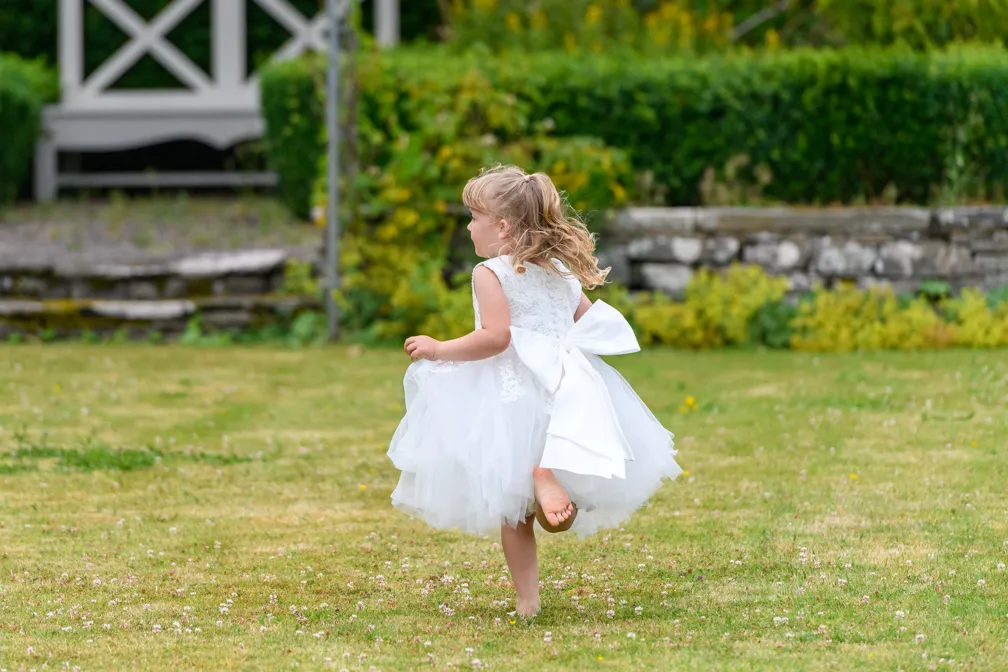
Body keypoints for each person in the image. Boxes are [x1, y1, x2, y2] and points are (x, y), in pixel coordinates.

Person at [387, 164, 682, 618]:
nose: (468, 227)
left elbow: (496, 337)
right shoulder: (558, 267)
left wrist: (440, 348)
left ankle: (528, 600)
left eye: (473, 218)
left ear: (501, 226)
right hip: (565, 386)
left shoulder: (490, 273)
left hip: (513, 392)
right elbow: (581, 317)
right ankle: (548, 476)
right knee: (572, 464)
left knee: (513, 514)